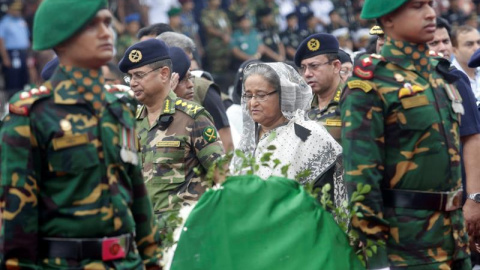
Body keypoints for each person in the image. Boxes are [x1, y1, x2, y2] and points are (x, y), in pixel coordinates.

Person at [0, 0, 162, 268]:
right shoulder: (31, 114)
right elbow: (16, 217)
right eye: (91, 25)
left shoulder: (120, 107)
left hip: (126, 262)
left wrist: (152, 260)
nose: (106, 33)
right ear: (60, 39)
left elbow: (137, 194)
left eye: (107, 23)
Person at [341, 0, 470, 268]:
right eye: (417, 7)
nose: (430, 14)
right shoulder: (371, 81)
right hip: (407, 245)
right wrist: (376, 253)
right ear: (387, 20)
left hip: (455, 237)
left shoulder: (438, 74)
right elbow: (361, 173)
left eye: (431, 5)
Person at [118, 39, 224, 227]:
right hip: (146, 234)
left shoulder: (192, 117)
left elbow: (221, 176)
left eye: (139, 75)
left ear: (164, 74)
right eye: (130, 77)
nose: (133, 83)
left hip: (185, 232)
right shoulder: (130, 122)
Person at [232, 62, 345, 211]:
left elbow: (324, 200)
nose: (253, 103)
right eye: (248, 95)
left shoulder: (308, 134)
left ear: (284, 95)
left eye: (261, 95)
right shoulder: (248, 138)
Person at [427, 16, 480, 268]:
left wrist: (474, 198)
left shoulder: (455, 81)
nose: (441, 47)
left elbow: (472, 139)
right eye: (433, 41)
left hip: (463, 195)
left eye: (445, 40)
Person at [157, 31, 234, 152]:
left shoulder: (203, 88)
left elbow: (226, 143)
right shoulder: (147, 99)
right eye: (184, 60)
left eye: (190, 60)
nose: (191, 66)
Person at [294, 33, 343, 143]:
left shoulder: (352, 100)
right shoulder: (302, 106)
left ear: (336, 66)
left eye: (314, 66)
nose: (307, 74)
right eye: (303, 68)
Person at [0, 0, 30, 98]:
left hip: (23, 53)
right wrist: (5, 58)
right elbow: (1, 41)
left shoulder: (21, 21)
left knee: (24, 78)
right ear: (9, 10)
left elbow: (27, 38)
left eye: (18, 10)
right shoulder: (4, 22)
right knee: (13, 80)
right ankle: (11, 102)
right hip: (12, 53)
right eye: (15, 9)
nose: (17, 12)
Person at [452, 25, 480, 101]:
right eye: (469, 44)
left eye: (479, 42)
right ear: (455, 51)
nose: (477, 48)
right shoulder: (450, 78)